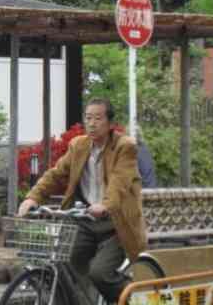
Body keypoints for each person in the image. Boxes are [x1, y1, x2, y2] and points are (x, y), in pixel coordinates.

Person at [18, 97, 147, 304]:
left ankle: (133, 300)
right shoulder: (79, 146)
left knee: (99, 273)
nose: (92, 123)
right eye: (88, 118)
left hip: (117, 224)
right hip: (86, 222)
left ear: (110, 123)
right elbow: (56, 174)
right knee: (64, 264)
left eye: (98, 118)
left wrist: (105, 205)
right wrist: (32, 198)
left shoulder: (124, 147)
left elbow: (119, 182)